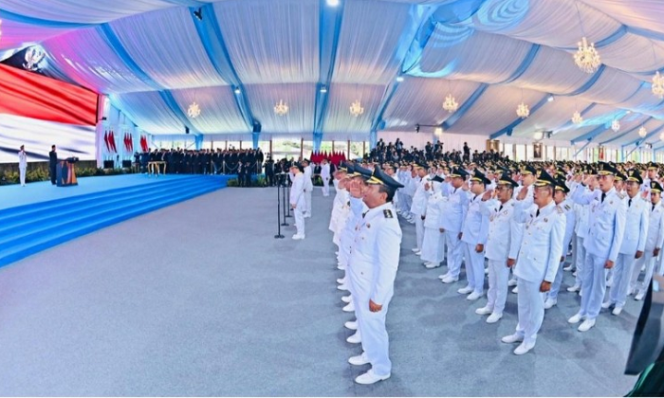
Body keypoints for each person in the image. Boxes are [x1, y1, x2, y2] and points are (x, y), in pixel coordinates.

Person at [346, 165, 403, 385]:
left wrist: (378, 297)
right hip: (362, 280)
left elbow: (389, 265)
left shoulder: (386, 221)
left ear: (383, 195)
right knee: (364, 322)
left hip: (372, 285)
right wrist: (354, 195)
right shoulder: (374, 212)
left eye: (370, 186)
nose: (365, 189)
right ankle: (369, 353)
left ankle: (381, 367)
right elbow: (356, 215)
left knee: (374, 326)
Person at [501, 170, 565, 355]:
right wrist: (520, 201)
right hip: (524, 265)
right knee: (523, 303)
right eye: (535, 188)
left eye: (539, 189)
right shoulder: (532, 209)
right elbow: (518, 218)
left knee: (535, 307)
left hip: (539, 270)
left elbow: (556, 250)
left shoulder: (557, 215)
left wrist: (549, 278)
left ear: (550, 192)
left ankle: (530, 339)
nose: (534, 191)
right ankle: (520, 331)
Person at [568, 162, 626, 332]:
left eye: (604, 177)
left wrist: (612, 257)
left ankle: (592, 316)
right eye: (599, 177)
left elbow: (618, 233)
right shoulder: (595, 194)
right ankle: (583, 311)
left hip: (604, 250)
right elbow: (576, 198)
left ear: (613, 179)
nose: (601, 180)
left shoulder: (619, 201)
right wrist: (583, 183)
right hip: (590, 246)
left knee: (598, 285)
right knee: (587, 281)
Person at [476, 173, 520, 323]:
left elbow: (516, 235)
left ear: (510, 190)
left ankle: (498, 310)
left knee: (501, 284)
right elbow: (484, 212)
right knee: (492, 281)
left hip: (503, 252)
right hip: (492, 249)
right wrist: (483, 200)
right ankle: (490, 305)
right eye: (498, 188)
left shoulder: (514, 209)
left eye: (501, 189)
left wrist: (512, 256)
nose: (498, 191)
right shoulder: (496, 204)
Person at [603, 169, 648, 315]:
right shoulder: (621, 199)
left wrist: (640, 247)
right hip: (619, 244)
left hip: (631, 244)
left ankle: (620, 303)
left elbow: (644, 228)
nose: (628, 186)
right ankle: (611, 299)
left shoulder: (643, 204)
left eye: (632, 184)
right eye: (627, 183)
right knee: (616, 273)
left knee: (626, 276)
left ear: (639, 186)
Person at [459, 169, 491, 301]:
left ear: (482, 185)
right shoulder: (473, 198)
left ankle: (478, 289)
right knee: (469, 264)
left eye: (474, 183)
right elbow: (463, 206)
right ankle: (471, 284)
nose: (471, 185)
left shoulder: (485, 201)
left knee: (477, 265)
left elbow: (485, 224)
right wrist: (463, 191)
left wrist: (481, 242)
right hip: (468, 236)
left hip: (476, 238)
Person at [630, 181, 664, 301]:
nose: (653, 196)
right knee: (635, 266)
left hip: (653, 245)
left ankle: (642, 291)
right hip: (643, 243)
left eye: (655, 194)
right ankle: (631, 286)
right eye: (652, 194)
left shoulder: (662, 209)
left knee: (649, 271)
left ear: (660, 195)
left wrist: (658, 247)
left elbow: (662, 230)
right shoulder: (647, 205)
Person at [289, 163, 306, 240]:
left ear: (297, 168)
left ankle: (300, 233)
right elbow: (293, 181)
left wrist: (294, 201)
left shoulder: (299, 177)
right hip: (297, 199)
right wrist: (290, 173)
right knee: (298, 216)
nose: (292, 170)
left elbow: (298, 191)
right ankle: (300, 232)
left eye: (293, 168)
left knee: (299, 216)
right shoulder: (298, 176)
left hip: (298, 200)